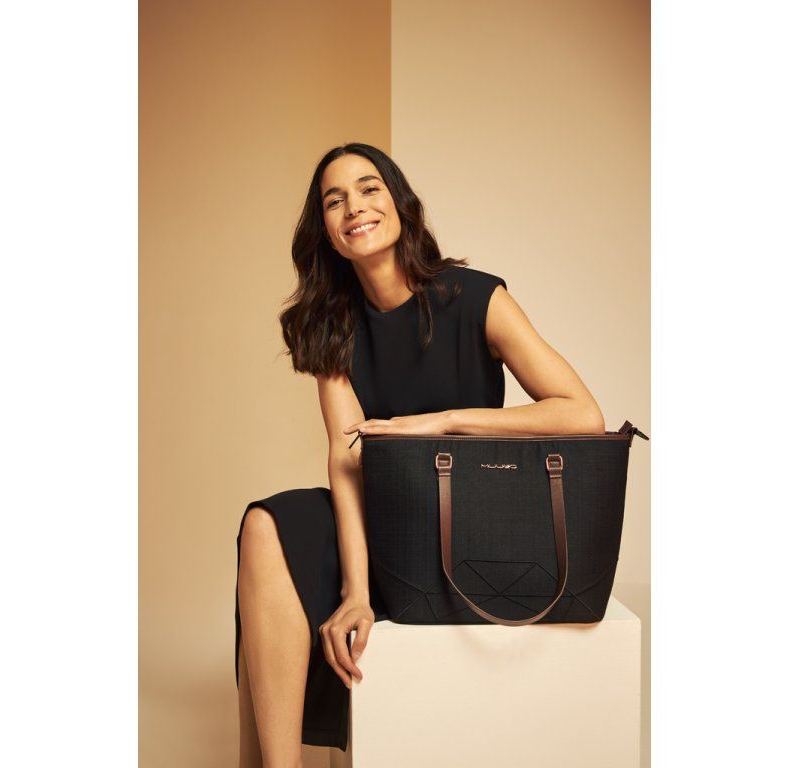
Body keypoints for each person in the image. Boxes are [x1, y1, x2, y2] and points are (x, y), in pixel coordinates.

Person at [234, 142, 605, 766]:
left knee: (281, 532)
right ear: (326, 230)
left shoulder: (477, 298)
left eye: (369, 188)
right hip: (384, 529)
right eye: (334, 200)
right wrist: (355, 591)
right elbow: (346, 461)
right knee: (266, 525)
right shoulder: (329, 325)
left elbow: (583, 414)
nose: (354, 207)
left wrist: (444, 423)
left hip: (470, 530)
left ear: (400, 202)